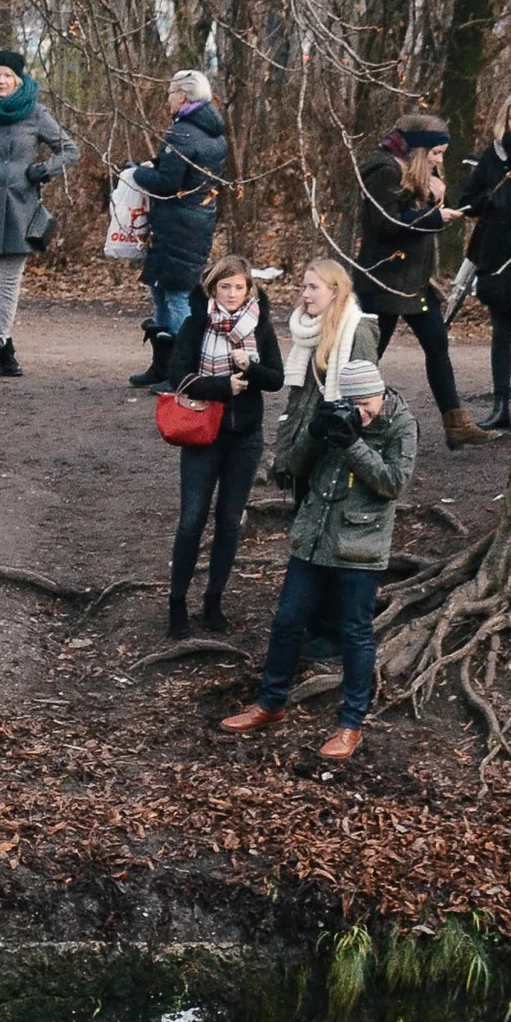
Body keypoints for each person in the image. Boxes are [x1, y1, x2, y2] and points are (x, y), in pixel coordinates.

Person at [221, 266, 414, 760]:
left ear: (378, 393)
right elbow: (302, 465)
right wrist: (312, 433)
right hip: (312, 536)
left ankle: (351, 724)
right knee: (287, 622)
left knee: (355, 634)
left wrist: (352, 442)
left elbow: (392, 483)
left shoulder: (397, 425)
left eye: (365, 406)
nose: (359, 413)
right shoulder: (334, 404)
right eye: (354, 405)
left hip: (360, 545)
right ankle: (270, 703)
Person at [165, 252, 283, 639]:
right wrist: (221, 386)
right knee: (191, 519)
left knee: (230, 521)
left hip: (245, 436)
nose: (232, 294)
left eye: (239, 287)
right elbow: (177, 376)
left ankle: (213, 599)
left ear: (249, 290)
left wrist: (250, 367)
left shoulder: (259, 325)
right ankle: (177, 602)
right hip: (203, 434)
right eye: (225, 286)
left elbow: (276, 379)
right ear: (212, 288)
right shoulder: (195, 324)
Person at [357, 114, 483, 447]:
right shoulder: (384, 170)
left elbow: (421, 211)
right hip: (385, 280)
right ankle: (346, 419)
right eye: (435, 153)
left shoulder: (415, 171)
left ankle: (455, 422)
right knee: (369, 355)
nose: (439, 160)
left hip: (415, 281)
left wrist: (435, 196)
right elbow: (386, 223)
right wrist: (433, 215)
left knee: (437, 344)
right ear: (417, 149)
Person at [0, 46, 77, 377]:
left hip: (21, 208)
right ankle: (6, 354)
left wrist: (42, 171)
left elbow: (70, 151)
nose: (1, 80)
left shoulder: (35, 113)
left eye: (7, 75)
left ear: (19, 80)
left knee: (8, 283)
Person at [127, 70, 229, 387]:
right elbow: (189, 173)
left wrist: (136, 173)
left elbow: (168, 183)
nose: (168, 98)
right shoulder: (214, 133)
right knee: (163, 291)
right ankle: (163, 366)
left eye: (171, 92)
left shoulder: (182, 134)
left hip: (176, 225)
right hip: (197, 221)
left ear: (183, 96)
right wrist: (159, 163)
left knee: (175, 298)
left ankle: (183, 372)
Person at [457, 89, 511, 432]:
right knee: (500, 332)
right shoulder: (494, 156)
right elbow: (468, 202)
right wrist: (491, 196)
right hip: (496, 253)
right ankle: (500, 406)